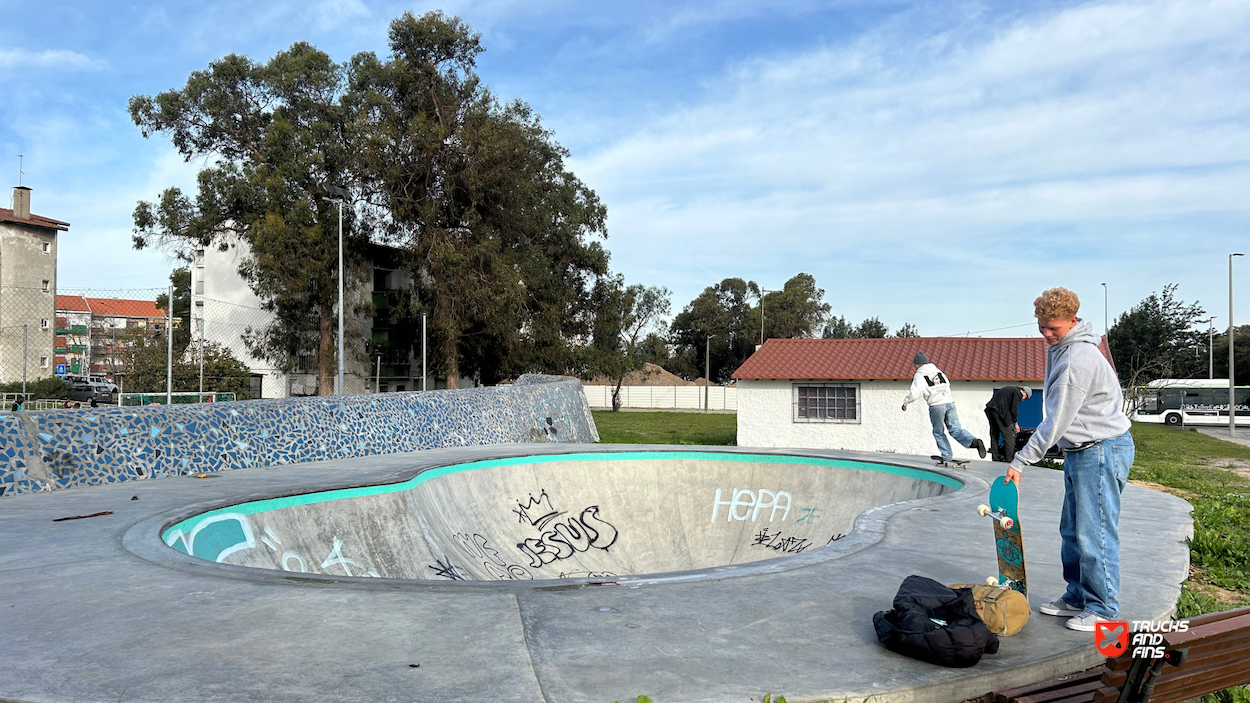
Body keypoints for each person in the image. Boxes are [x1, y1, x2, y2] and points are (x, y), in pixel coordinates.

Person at [1007, 287, 1133, 633]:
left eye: (1054, 328)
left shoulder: (1078, 358)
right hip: (1082, 450)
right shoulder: (1062, 349)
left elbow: (1057, 417)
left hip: (1102, 449)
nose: (1047, 334)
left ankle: (1104, 608)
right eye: (1042, 327)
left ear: (1073, 321)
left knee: (1095, 533)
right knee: (1072, 531)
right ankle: (1078, 596)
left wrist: (1020, 461)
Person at [902, 352, 987, 460]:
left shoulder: (920, 374)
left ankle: (946, 455)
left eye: (915, 365)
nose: (914, 367)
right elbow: (947, 384)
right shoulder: (938, 371)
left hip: (936, 405)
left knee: (938, 431)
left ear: (919, 364)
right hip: (950, 402)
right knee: (955, 429)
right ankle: (973, 441)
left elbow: (915, 392)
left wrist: (906, 402)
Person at [984, 386, 1032, 462]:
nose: (1023, 400)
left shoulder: (1010, 389)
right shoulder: (1018, 393)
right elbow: (1014, 409)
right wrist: (1016, 424)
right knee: (1009, 438)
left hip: (990, 410)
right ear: (1025, 393)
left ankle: (995, 457)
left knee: (994, 435)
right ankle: (1009, 460)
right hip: (1000, 413)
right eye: (1025, 398)